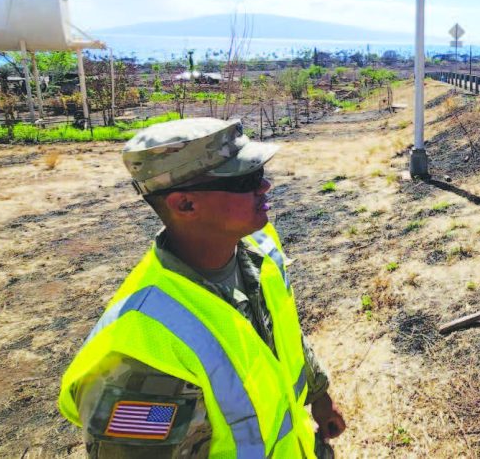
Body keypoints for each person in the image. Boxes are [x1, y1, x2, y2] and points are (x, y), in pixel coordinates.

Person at [58, 117, 345, 457]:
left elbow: (282, 332)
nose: (265, 185)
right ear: (185, 205)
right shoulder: (140, 353)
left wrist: (319, 395)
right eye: (247, 178)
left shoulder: (258, 247)